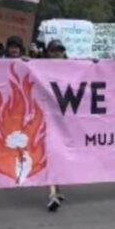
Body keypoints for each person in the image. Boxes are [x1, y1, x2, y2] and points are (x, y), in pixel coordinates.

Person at [44, 41, 68, 211]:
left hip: (65, 119)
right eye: (53, 51)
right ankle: (52, 194)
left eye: (59, 51)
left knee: (59, 154)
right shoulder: (39, 66)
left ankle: (57, 189)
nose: (56, 54)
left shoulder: (72, 67)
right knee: (51, 154)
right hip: (46, 118)